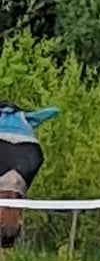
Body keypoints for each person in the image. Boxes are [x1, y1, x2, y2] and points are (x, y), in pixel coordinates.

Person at [0, 102, 59, 247]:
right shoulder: (25, 118)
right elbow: (52, 111)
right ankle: (16, 191)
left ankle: (13, 192)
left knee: (9, 186)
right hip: (29, 151)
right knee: (14, 185)